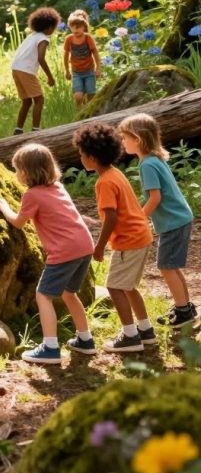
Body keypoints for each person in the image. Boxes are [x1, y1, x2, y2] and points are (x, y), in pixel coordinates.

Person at [0, 143, 95, 364]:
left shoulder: (32, 195)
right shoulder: (58, 187)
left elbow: (19, 223)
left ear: (27, 172)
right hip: (85, 245)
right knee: (69, 293)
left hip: (65, 251)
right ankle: (85, 340)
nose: (15, 173)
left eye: (17, 169)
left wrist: (4, 208)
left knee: (44, 295)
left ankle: (50, 347)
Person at [73, 122, 155, 353]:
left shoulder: (104, 182)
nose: (80, 158)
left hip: (129, 240)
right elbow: (119, 212)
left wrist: (99, 247)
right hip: (140, 234)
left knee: (114, 286)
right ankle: (145, 330)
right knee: (128, 286)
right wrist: (97, 222)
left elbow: (111, 217)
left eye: (81, 154)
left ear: (91, 156)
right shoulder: (114, 174)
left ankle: (130, 336)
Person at [118, 113, 196, 328]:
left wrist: (139, 220)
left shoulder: (147, 165)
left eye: (125, 137)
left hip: (173, 222)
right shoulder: (154, 159)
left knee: (166, 266)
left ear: (138, 139)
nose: (122, 141)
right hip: (178, 219)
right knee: (171, 266)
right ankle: (185, 307)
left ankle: (183, 311)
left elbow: (155, 197)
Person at [11, 7, 61, 134]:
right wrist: (50, 76)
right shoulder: (43, 38)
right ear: (49, 27)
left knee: (27, 101)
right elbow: (41, 58)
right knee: (39, 100)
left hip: (16, 68)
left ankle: (18, 129)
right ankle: (36, 130)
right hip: (26, 70)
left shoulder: (32, 36)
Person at [63, 9, 101, 108]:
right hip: (76, 72)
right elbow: (66, 55)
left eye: (78, 28)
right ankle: (80, 112)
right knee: (78, 96)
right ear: (70, 27)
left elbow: (95, 52)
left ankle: (90, 112)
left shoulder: (88, 38)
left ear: (84, 27)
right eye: (73, 28)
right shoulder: (69, 39)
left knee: (91, 94)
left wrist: (98, 68)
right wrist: (67, 70)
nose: (75, 30)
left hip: (89, 71)